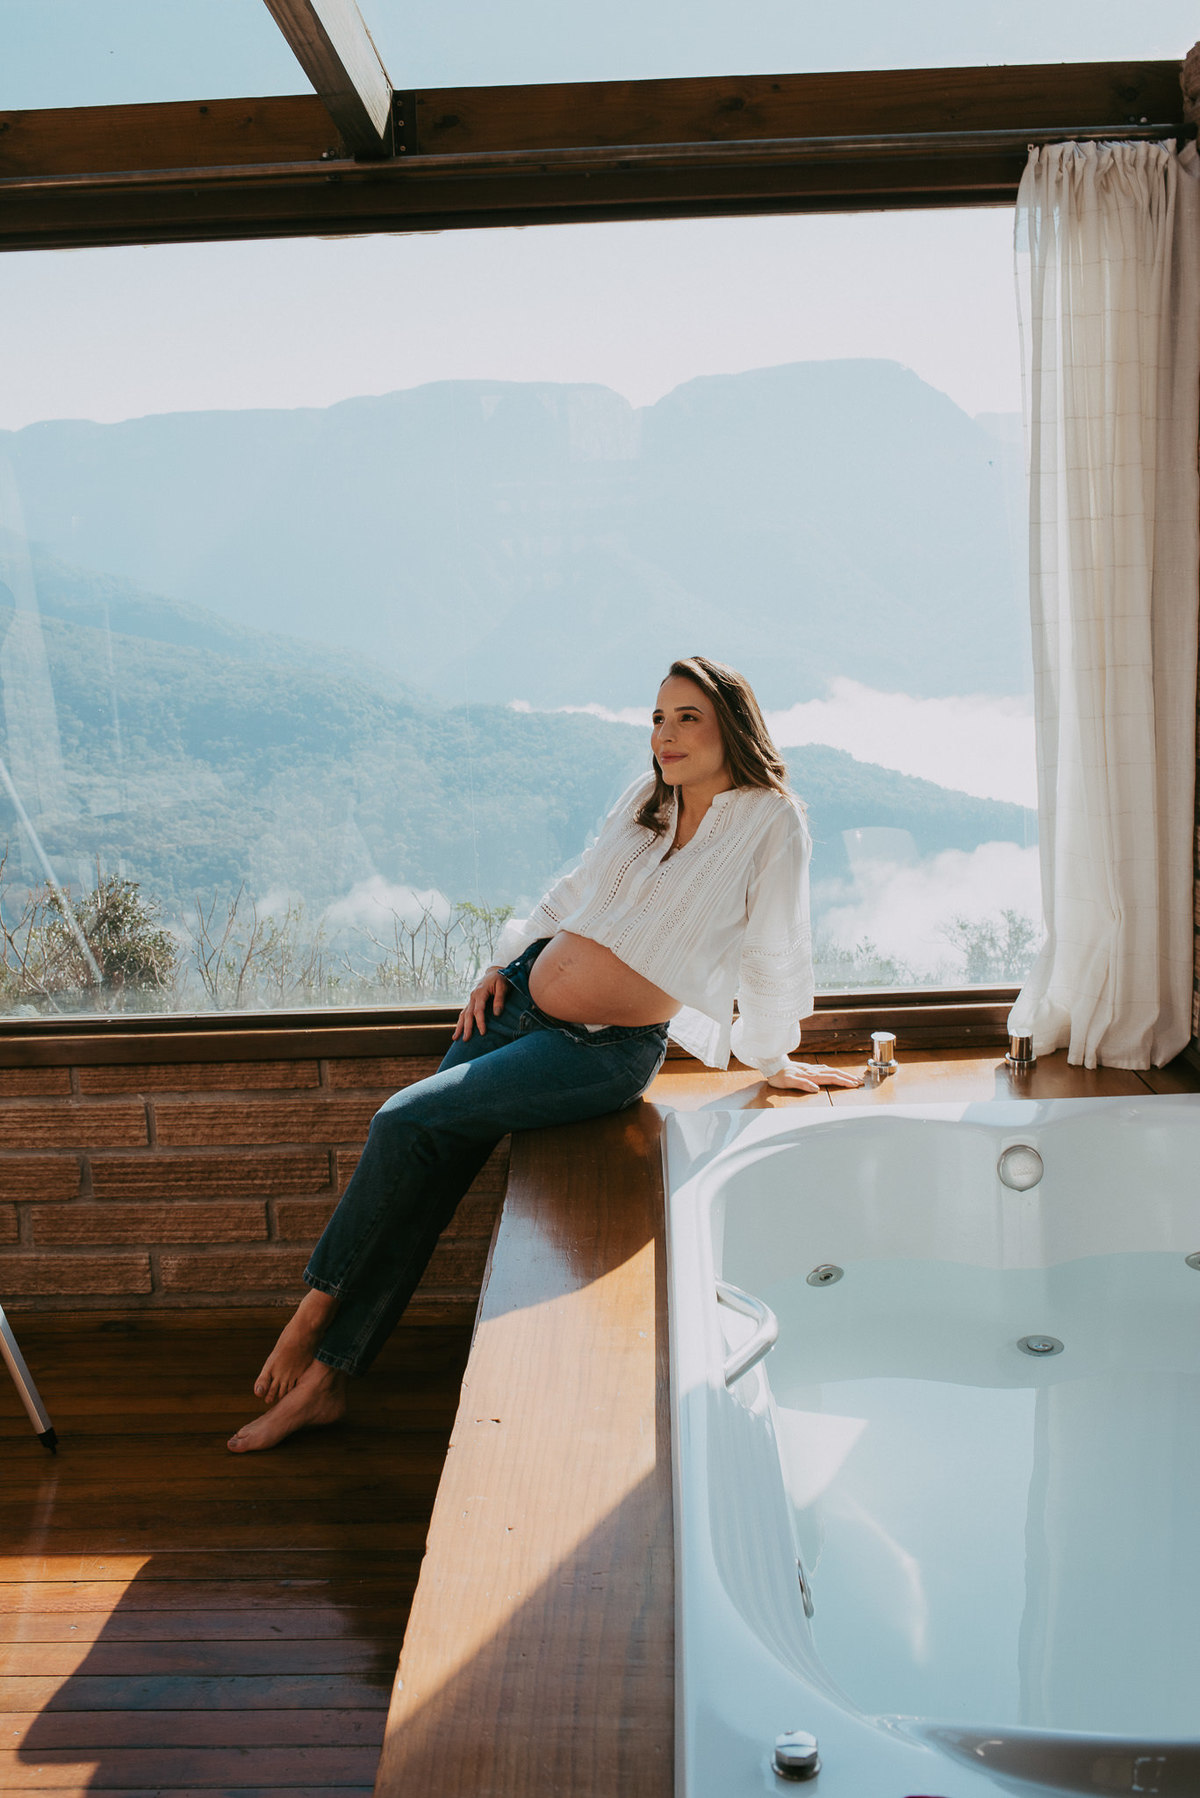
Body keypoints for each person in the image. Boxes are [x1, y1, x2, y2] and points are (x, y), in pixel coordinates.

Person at [227, 655, 862, 1453]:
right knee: (427, 1166)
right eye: (658, 719)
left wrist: (772, 1059)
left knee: (401, 1123)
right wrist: (504, 963)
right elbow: (574, 891)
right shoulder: (646, 801)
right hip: (517, 1001)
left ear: (733, 722)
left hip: (601, 1052)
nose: (665, 736)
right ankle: (326, 1383)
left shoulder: (772, 820)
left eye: (687, 717)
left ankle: (311, 1312)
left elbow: (773, 945)